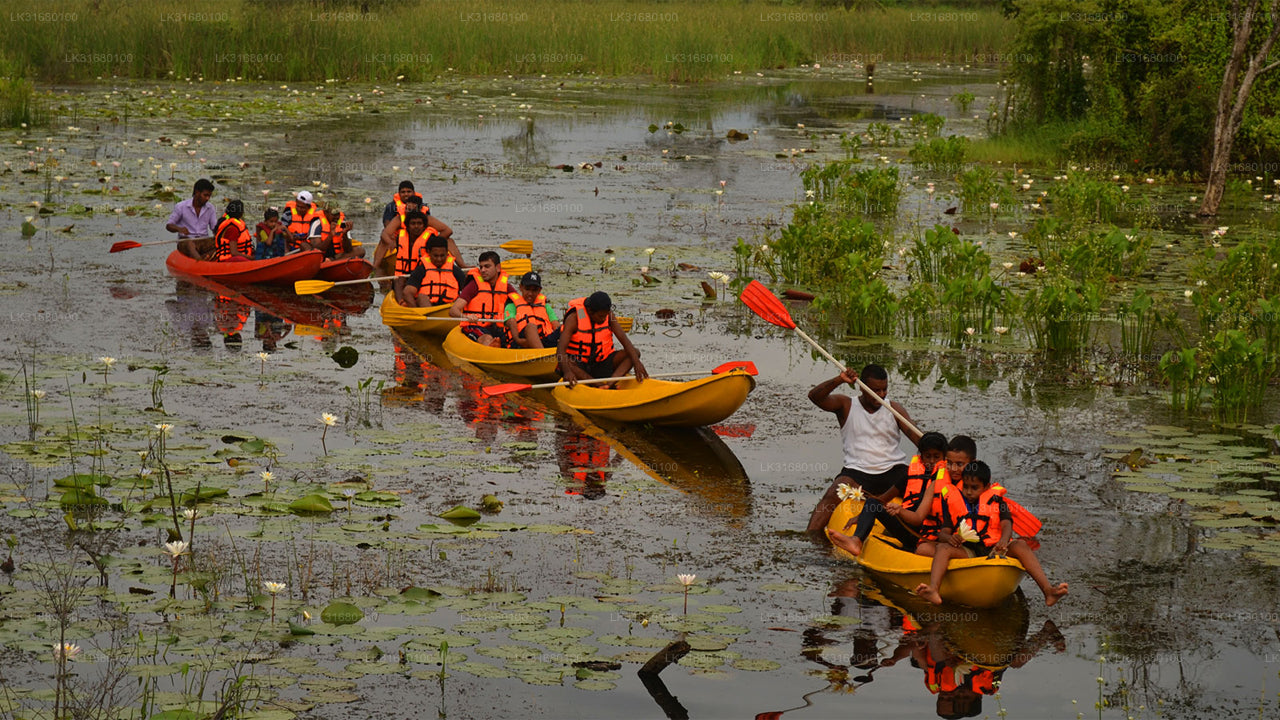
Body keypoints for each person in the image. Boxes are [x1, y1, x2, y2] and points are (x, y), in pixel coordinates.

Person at [914, 461, 1068, 607]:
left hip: (995, 549)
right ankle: (934, 589)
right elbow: (943, 533)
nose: (968, 492)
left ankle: (1048, 591)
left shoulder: (997, 501)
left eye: (974, 488)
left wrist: (1003, 540)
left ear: (986, 487)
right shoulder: (953, 502)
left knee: (1021, 544)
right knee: (942, 548)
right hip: (969, 552)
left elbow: (1007, 524)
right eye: (965, 487)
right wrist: (950, 538)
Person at [807, 365, 923, 534]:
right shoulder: (846, 405)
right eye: (876, 390)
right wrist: (839, 379)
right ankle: (810, 537)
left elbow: (918, 439)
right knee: (832, 493)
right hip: (857, 472)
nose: (882, 395)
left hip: (893, 470)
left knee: (921, 488)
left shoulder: (894, 409)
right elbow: (815, 397)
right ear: (863, 387)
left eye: (885, 389)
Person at [829, 431, 949, 557]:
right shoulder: (910, 474)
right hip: (907, 531)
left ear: (944, 457)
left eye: (936, 457)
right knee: (872, 503)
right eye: (927, 456)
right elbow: (883, 498)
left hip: (931, 536)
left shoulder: (948, 478)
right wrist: (862, 516)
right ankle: (856, 540)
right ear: (921, 456)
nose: (931, 461)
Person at [557, 291, 647, 385]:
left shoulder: (609, 316)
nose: (604, 319)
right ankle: (597, 384)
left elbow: (624, 340)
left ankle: (609, 384)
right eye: (600, 316)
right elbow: (560, 350)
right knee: (568, 362)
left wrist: (637, 363)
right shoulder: (574, 318)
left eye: (605, 316)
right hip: (580, 367)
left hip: (600, 364)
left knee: (634, 353)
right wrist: (567, 372)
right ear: (590, 311)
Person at [915, 435, 977, 558]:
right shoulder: (937, 484)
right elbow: (918, 517)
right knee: (923, 549)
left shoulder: (977, 487)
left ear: (973, 464)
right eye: (949, 463)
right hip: (946, 538)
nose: (953, 469)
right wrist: (899, 511)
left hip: (972, 545)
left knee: (932, 549)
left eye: (959, 464)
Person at [449, 251, 516, 347]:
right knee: (487, 338)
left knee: (514, 336)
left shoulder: (506, 287)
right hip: (475, 326)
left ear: (498, 268)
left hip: (497, 327)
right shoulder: (474, 285)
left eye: (487, 266)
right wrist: (466, 317)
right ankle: (492, 349)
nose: (483, 270)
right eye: (481, 267)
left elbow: (520, 305)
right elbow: (453, 310)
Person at [376, 195, 461, 270]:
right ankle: (374, 267)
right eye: (408, 209)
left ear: (420, 210)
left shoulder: (427, 219)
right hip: (402, 245)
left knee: (449, 241)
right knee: (383, 241)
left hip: (423, 245)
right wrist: (391, 242)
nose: (410, 213)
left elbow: (448, 231)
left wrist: (435, 242)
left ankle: (463, 266)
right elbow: (385, 233)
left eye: (413, 210)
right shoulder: (399, 218)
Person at [403, 235, 468, 308]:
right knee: (421, 297)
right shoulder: (421, 270)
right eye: (436, 256)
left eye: (442, 256)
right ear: (429, 252)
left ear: (447, 253)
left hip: (449, 308)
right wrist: (416, 311)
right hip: (426, 309)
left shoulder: (456, 271)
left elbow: (468, 291)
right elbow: (407, 292)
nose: (439, 259)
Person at [389, 211, 439, 305]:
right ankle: (401, 302)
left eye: (419, 223)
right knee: (398, 280)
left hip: (423, 275)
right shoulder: (400, 237)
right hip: (405, 276)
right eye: (413, 223)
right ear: (407, 225)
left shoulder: (430, 238)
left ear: (424, 226)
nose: (416, 226)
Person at [505, 272, 562, 349]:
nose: (530, 294)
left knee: (564, 327)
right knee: (530, 327)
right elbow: (511, 323)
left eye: (534, 290)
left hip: (544, 341)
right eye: (527, 289)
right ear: (521, 287)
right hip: (521, 342)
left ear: (539, 290)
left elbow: (555, 324)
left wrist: (561, 335)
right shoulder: (512, 306)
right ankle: (542, 357)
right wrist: (518, 340)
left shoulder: (545, 306)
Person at [167, 178, 218, 259]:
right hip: (186, 242)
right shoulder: (181, 206)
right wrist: (179, 229)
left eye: (209, 196)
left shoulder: (210, 208)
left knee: (220, 242)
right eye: (205, 195)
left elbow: (214, 228)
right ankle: (200, 262)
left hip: (203, 240)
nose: (207, 198)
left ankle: (206, 258)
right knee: (189, 243)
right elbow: (169, 225)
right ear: (197, 192)